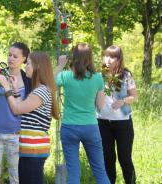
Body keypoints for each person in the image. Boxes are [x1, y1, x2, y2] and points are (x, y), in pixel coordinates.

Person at [0, 52, 59, 184]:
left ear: (38, 67)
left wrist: (6, 88)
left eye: (28, 63)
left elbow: (16, 109)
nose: (26, 67)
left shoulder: (40, 91)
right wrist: (15, 90)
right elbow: (20, 111)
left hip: (33, 150)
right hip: (30, 150)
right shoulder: (40, 90)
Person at [55, 43, 110, 184]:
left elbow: (50, 84)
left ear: (73, 57)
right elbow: (101, 106)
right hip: (90, 127)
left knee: (73, 172)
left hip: (69, 127)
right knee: (100, 171)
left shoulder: (65, 76)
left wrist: (60, 65)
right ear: (89, 58)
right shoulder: (97, 78)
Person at [0, 42, 31, 184]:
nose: (11, 58)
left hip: (17, 136)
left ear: (24, 59)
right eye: (9, 55)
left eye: (15, 56)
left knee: (17, 177)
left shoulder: (28, 80)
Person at [98, 45, 137, 184]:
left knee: (124, 158)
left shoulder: (126, 75)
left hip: (123, 123)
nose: (108, 59)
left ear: (119, 59)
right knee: (108, 158)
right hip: (102, 122)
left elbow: (134, 96)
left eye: (113, 56)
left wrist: (123, 101)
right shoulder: (98, 75)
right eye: (106, 55)